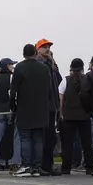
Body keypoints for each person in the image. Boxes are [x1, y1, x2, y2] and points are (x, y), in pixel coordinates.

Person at [10, 44, 52, 178]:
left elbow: (13, 90)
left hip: (24, 108)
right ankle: (37, 167)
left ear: (23, 54)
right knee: (38, 139)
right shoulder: (44, 68)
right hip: (41, 109)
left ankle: (26, 166)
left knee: (26, 138)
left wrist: (13, 106)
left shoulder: (20, 68)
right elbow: (50, 89)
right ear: (35, 53)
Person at [58, 58, 93, 175]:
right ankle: (90, 167)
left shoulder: (65, 81)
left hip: (68, 117)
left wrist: (61, 113)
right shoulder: (87, 80)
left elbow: (61, 100)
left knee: (67, 144)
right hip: (84, 116)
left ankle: (66, 168)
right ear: (83, 68)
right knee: (87, 144)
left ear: (71, 68)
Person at [35, 38, 62, 176]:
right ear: (38, 49)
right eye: (44, 47)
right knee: (44, 137)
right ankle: (42, 165)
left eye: (49, 47)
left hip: (52, 106)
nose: (48, 49)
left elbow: (58, 80)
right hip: (43, 106)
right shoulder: (38, 63)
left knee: (51, 138)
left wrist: (53, 63)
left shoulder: (50, 63)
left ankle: (48, 165)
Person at [0, 58, 20, 174]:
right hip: (10, 110)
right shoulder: (12, 78)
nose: (12, 67)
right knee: (15, 136)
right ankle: (13, 163)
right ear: (7, 66)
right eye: (11, 65)